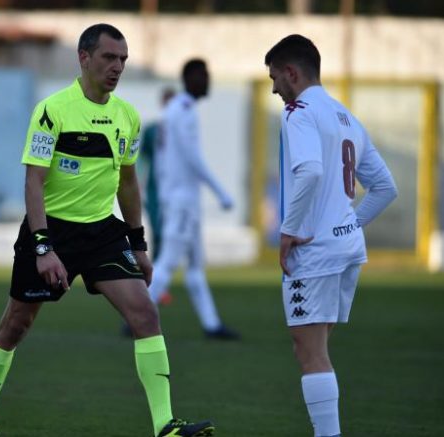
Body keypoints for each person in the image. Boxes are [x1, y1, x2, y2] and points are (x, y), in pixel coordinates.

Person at [0, 24, 215, 437]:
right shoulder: (53, 110)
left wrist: (138, 244)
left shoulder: (128, 117)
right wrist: (43, 248)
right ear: (83, 58)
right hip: (52, 232)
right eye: (109, 57)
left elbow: (128, 183)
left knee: (145, 313)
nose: (117, 67)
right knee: (15, 326)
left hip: (102, 233)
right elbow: (33, 182)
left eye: (123, 60)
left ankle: (165, 426)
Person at [265, 34, 397, 436]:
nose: (274, 89)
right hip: (346, 248)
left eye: (274, 78)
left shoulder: (299, 112)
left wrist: (289, 230)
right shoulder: (346, 116)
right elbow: (385, 188)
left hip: (315, 251)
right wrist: (349, 225)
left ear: (291, 73)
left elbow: (310, 171)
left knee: (310, 352)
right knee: (314, 347)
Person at [147, 59, 239, 340]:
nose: (208, 80)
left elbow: (163, 160)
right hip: (182, 201)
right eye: (204, 75)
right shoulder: (183, 111)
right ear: (190, 78)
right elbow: (193, 158)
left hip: (181, 198)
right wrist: (221, 192)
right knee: (168, 262)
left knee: (195, 267)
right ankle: (138, 314)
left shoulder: (174, 111)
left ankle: (212, 325)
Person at [139, 87, 175, 305]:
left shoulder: (179, 130)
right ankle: (154, 283)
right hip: (154, 190)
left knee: (168, 236)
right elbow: (142, 160)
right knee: (158, 233)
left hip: (174, 192)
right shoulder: (152, 130)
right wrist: (140, 185)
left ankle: (159, 284)